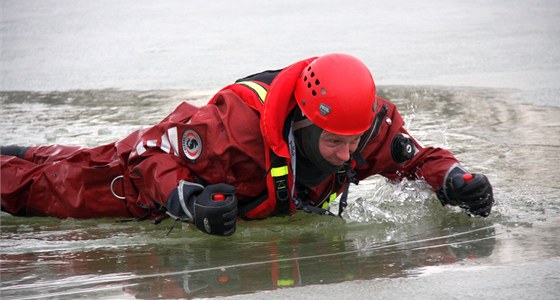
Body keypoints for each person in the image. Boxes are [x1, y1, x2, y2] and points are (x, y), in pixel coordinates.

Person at [0, 53, 494, 236]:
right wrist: (185, 201)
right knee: (48, 187)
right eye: (334, 144)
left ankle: (25, 149)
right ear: (301, 123)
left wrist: (452, 179)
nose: (349, 156)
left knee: (56, 162)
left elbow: (416, 157)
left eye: (355, 142)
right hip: (133, 185)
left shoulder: (361, 122)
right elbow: (150, 151)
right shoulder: (231, 131)